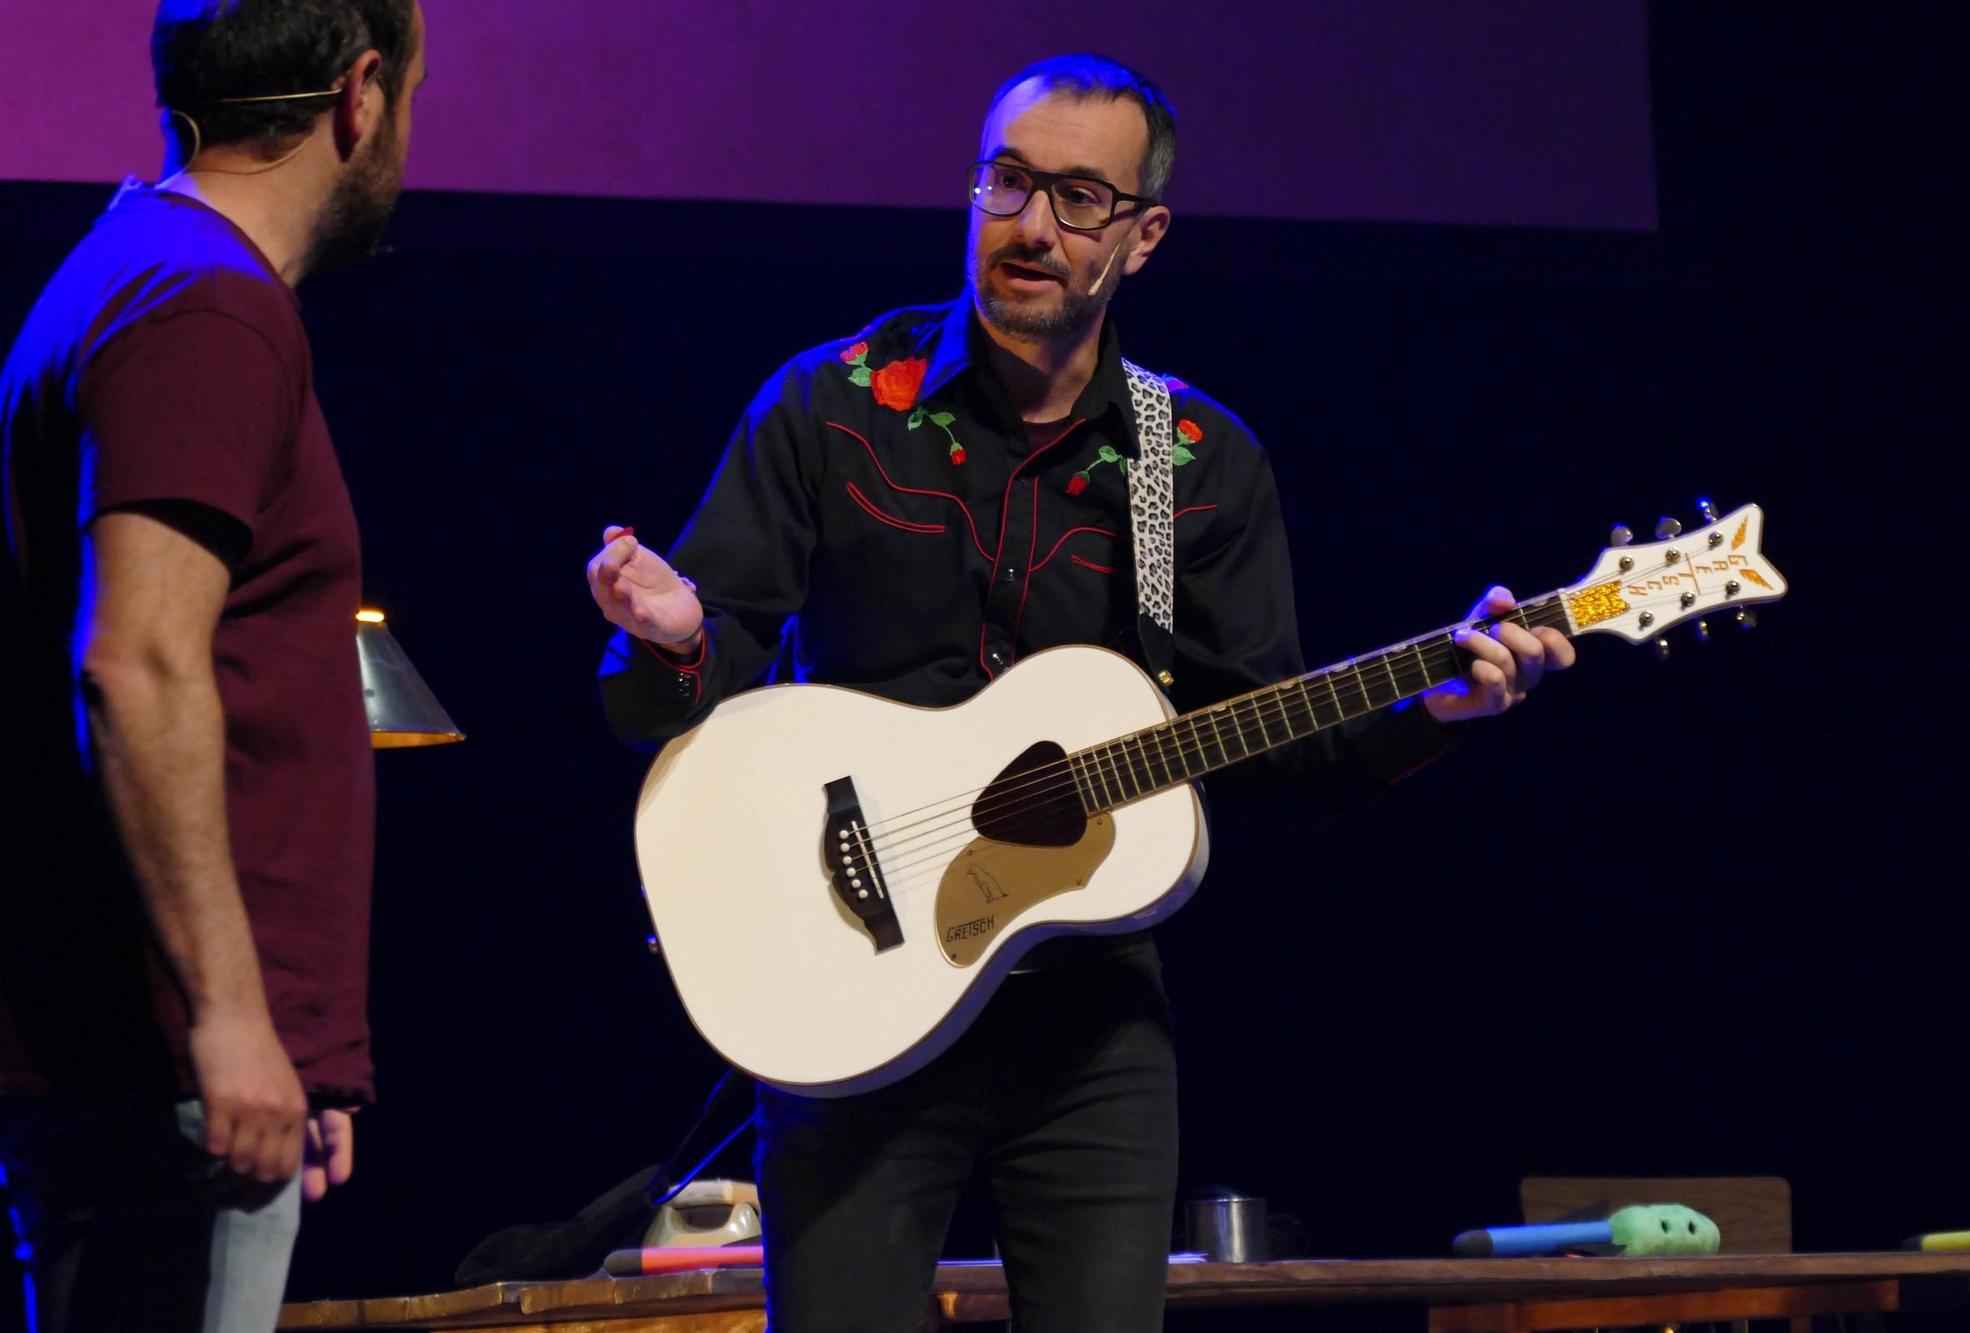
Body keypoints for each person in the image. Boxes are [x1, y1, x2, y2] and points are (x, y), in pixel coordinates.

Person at [588, 53, 1573, 1332]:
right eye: (1006, 181)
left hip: (1088, 1023)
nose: (1031, 225)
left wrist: (1429, 712)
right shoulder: (830, 405)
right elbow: (685, 681)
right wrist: (672, 638)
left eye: (1077, 197)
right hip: (849, 989)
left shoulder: (1195, 466)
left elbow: (1265, 752)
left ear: (1143, 235)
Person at [0, 2, 426, 1329]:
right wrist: (234, 1021)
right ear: (361, 94)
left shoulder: (142, 271)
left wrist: (298, 1042)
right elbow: (136, 662)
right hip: (158, 1066)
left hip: (167, 1056)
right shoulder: (204, 308)